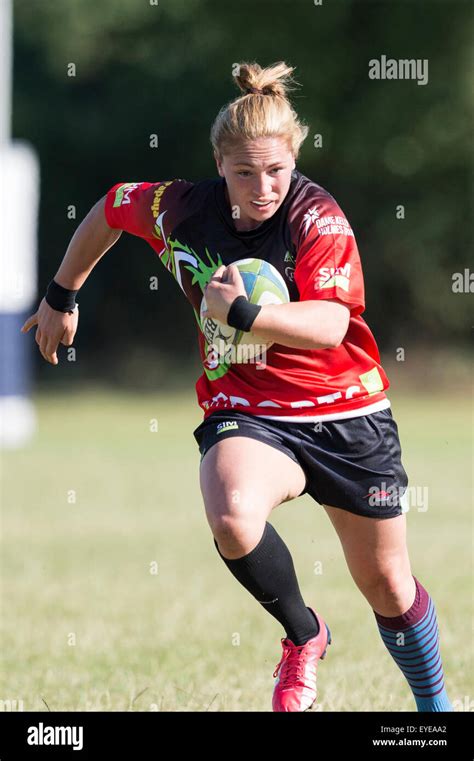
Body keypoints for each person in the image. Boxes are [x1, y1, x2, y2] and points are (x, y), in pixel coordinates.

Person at [21, 61, 452, 713]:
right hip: (250, 409)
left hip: (347, 411)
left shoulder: (317, 217)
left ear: (295, 161)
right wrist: (61, 292)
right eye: (245, 171)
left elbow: (332, 323)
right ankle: (305, 636)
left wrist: (243, 314)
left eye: (276, 170)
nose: (262, 187)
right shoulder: (181, 209)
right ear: (219, 162)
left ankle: (436, 711)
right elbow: (111, 206)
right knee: (230, 513)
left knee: (389, 585)